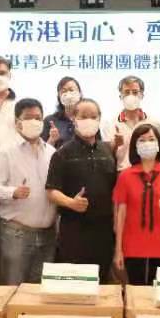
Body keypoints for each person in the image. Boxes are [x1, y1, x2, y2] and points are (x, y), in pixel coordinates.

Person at [0, 98, 57, 284]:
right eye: (28, 117)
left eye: (38, 118)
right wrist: (13, 192)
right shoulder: (4, 152)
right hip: (16, 233)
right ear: (17, 122)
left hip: (48, 234)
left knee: (40, 291)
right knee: (13, 286)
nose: (34, 122)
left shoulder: (51, 152)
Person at [47, 99, 117, 279]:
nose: (89, 120)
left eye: (93, 116)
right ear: (74, 118)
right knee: (74, 282)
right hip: (74, 230)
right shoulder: (62, 153)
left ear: (99, 119)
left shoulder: (107, 151)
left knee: (102, 281)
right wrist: (71, 202)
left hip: (104, 230)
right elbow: (51, 191)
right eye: (83, 116)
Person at [113, 123, 160, 284]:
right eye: (142, 140)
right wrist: (118, 250)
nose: (147, 143)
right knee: (135, 290)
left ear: (159, 144)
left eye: (151, 139)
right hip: (133, 245)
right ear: (135, 146)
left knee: (158, 291)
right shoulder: (125, 176)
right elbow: (120, 215)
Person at [101, 75, 160, 171]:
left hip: (148, 173)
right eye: (127, 92)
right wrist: (115, 144)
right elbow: (106, 157)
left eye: (135, 92)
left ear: (142, 95)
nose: (131, 96)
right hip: (121, 173)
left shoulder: (155, 123)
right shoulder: (110, 124)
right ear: (120, 96)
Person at [42, 76, 83, 149]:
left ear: (79, 93)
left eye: (71, 90)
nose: (68, 94)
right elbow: (42, 151)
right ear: (59, 96)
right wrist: (51, 140)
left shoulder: (87, 118)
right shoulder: (49, 120)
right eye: (64, 91)